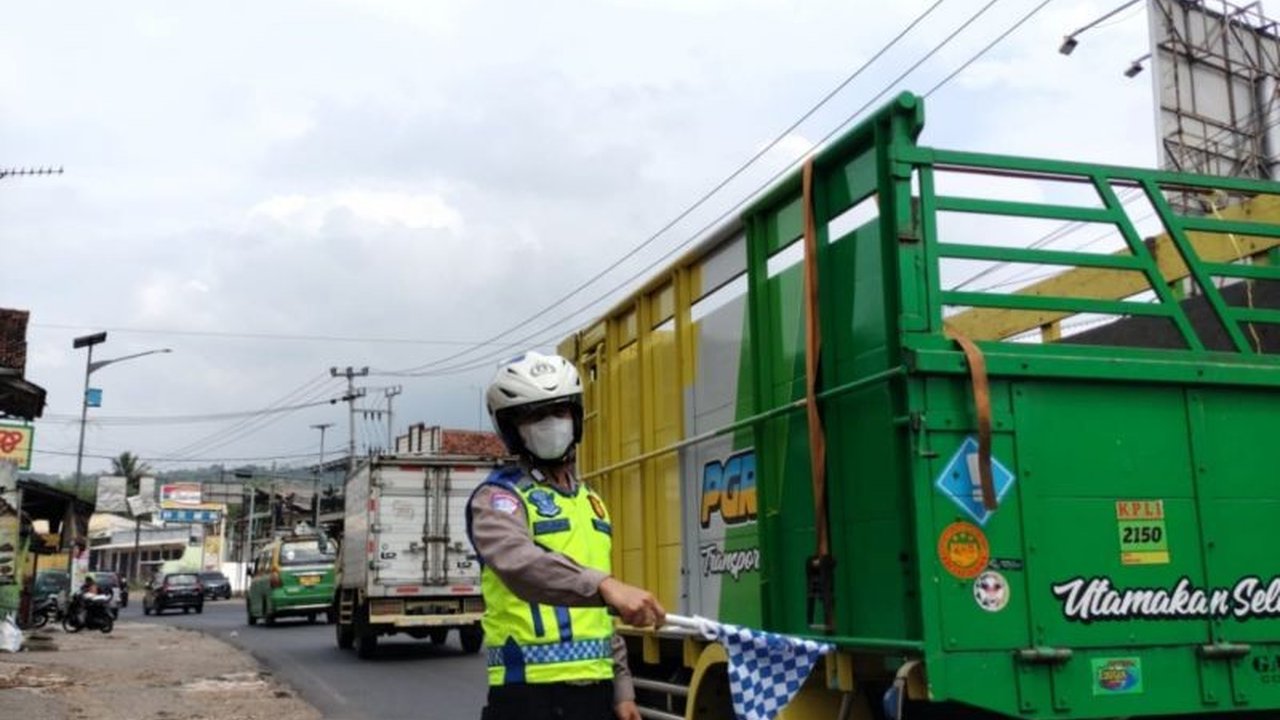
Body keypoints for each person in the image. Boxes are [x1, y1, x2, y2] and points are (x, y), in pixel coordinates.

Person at [467, 351, 666, 720]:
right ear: (512, 429)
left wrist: (622, 689)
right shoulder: (498, 499)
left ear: (576, 418)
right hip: (528, 695)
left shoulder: (591, 502)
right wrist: (605, 585)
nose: (550, 423)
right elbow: (521, 564)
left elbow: (599, 617)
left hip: (596, 694)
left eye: (559, 411)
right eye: (534, 415)